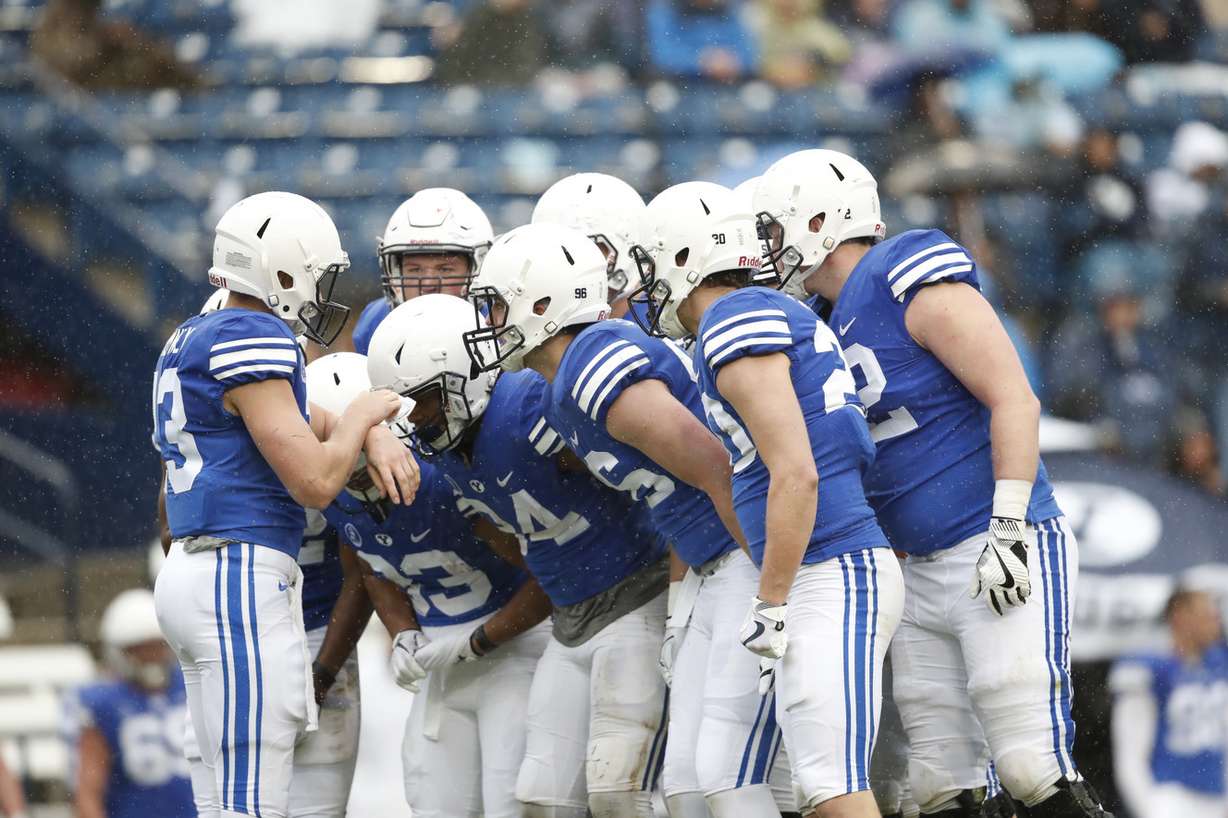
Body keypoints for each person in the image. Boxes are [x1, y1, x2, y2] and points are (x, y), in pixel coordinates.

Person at [753, 148, 1110, 817]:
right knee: (941, 784)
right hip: (913, 568)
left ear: (823, 221)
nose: (768, 249)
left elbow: (1014, 398)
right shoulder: (819, 326)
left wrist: (1008, 526)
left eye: (775, 229)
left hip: (994, 539)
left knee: (1029, 763)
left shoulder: (902, 272)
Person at [463, 220, 794, 817]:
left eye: (495, 306)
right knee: (693, 785)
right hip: (711, 563)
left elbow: (721, 471)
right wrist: (682, 604)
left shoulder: (594, 362)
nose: (487, 324)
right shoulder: (565, 382)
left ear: (541, 304)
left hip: (746, 553)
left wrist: (776, 593)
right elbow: (669, 496)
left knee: (735, 778)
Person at [629, 181, 904, 818]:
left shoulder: (734, 317)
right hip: (819, 565)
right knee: (795, 785)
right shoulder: (754, 313)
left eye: (651, 265)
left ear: (683, 259)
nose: (646, 285)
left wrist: (771, 598)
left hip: (829, 568)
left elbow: (796, 472)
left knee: (830, 784)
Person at [151, 191, 418, 818]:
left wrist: (362, 429)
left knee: (219, 797)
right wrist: (365, 413)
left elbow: (298, 416)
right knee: (255, 798)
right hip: (240, 578)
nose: (324, 293)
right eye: (318, 274)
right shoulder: (254, 332)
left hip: (192, 573)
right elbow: (315, 483)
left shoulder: (196, 332)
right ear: (282, 269)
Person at [367, 293, 669, 818]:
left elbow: (641, 459)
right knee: (540, 801)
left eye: (426, 401)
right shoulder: (452, 449)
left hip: (635, 592)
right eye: (406, 408)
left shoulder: (530, 404)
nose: (418, 421)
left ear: (467, 376)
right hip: (570, 619)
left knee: (620, 792)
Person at [312, 351, 552, 818]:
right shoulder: (334, 495)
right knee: (434, 801)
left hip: (516, 650)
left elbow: (547, 577)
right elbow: (371, 563)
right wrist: (402, 629)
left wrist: (482, 639)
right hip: (440, 667)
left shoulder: (446, 481)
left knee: (516, 802)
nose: (355, 472)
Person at [67, 589, 194, 818]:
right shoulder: (104, 704)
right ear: (119, 653)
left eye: (156, 647)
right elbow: (88, 792)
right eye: (141, 650)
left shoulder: (193, 688)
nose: (151, 657)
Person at [1110, 588, 1228, 818]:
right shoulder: (1151, 667)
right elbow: (1130, 752)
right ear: (1180, 616)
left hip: (1217, 796)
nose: (1215, 618)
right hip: (1172, 797)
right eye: (1205, 612)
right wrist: (1151, 808)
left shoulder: (1219, 664)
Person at [351, 191, 493, 356]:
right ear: (395, 271)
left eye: (445, 269)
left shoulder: (499, 323)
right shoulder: (376, 322)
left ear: (478, 270)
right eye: (415, 269)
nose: (427, 284)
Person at [530, 173, 647, 320]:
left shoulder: (652, 327)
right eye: (558, 251)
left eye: (586, 250)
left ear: (628, 251)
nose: (569, 264)